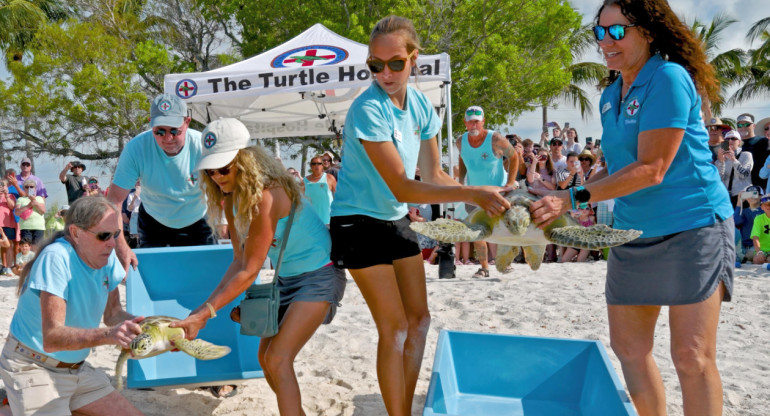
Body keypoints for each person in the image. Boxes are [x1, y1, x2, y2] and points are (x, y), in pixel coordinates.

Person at [530, 1, 732, 414]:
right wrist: (564, 203)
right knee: (630, 350)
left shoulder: (669, 77)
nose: (606, 41)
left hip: (692, 227)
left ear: (650, 31)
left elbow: (652, 168)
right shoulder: (610, 94)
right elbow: (619, 169)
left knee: (691, 357)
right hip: (632, 232)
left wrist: (571, 197)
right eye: (599, 32)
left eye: (618, 31)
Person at [329, 15, 509, 416]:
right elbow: (403, 186)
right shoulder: (367, 109)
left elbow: (434, 175)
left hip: (394, 219)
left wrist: (482, 199)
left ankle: (403, 408)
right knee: (393, 329)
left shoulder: (423, 106)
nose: (385, 73)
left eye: (395, 63)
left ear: (414, 59)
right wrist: (471, 192)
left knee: (420, 321)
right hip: (355, 221)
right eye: (375, 65)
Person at [171, 118, 346, 410]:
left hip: (320, 275)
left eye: (224, 168)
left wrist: (205, 314)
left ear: (246, 160)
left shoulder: (269, 194)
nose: (216, 176)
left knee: (278, 358)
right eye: (210, 170)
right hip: (285, 280)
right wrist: (201, 311)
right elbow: (238, 262)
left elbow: (250, 269)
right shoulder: (231, 200)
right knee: (265, 359)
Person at [0, 196, 143, 416]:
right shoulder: (56, 258)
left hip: (75, 369)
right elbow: (52, 337)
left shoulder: (107, 256)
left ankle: (16, 407)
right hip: (32, 365)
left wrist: (151, 329)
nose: (113, 243)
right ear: (75, 233)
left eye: (115, 234)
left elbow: (113, 314)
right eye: (104, 235)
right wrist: (111, 335)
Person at [107, 93, 213, 268]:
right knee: (155, 278)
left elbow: (228, 190)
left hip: (198, 219)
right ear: (151, 124)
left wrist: (225, 222)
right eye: (160, 132)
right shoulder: (136, 149)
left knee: (206, 278)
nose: (168, 138)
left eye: (174, 131)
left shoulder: (203, 146)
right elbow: (114, 202)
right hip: (154, 221)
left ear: (186, 123)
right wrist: (121, 246)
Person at [456, 105, 519, 278]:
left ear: (483, 121)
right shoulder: (460, 141)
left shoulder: (495, 139)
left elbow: (514, 157)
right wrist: (461, 182)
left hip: (497, 193)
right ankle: (484, 267)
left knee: (501, 229)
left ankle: (505, 262)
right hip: (474, 194)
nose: (473, 125)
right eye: (470, 122)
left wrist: (511, 182)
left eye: (477, 121)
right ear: (465, 123)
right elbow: (462, 158)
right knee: (477, 231)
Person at [715, 130, 752, 206]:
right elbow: (719, 179)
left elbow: (744, 175)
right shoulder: (721, 158)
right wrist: (721, 162)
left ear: (739, 141)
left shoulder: (746, 155)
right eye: (727, 139)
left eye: (733, 138)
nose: (730, 141)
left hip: (744, 196)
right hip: (727, 197)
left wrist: (733, 159)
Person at [736, 113, 769, 189]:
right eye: (740, 125)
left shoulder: (764, 141)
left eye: (747, 124)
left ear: (753, 126)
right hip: (739, 189)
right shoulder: (733, 143)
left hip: (761, 187)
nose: (743, 127)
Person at [304, 155, 337, 226]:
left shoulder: (330, 178)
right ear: (311, 166)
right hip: (311, 220)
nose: (316, 166)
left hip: (329, 220)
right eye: (314, 163)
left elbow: (339, 195)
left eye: (319, 163)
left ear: (322, 165)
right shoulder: (304, 181)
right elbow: (300, 201)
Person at [734, 185, 763, 263]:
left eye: (754, 194)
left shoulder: (764, 211)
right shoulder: (743, 211)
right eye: (748, 194)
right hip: (743, 245)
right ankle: (744, 259)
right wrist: (739, 202)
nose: (751, 197)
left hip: (757, 244)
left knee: (754, 256)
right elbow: (736, 222)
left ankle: (746, 259)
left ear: (761, 196)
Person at [15, 180, 46, 248]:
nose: (29, 188)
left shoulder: (39, 198)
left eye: (31, 187)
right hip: (25, 227)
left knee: (37, 248)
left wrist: (35, 201)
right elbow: (17, 212)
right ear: (24, 188)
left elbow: (43, 211)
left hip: (38, 227)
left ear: (35, 188)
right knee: (26, 248)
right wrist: (28, 205)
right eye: (27, 187)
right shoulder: (20, 199)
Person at [0, 179, 16, 276]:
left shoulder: (11, 196)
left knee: (9, 245)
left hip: (8, 224)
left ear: (7, 186)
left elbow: (12, 206)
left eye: (3, 185)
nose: (1, 187)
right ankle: (3, 266)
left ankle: (8, 267)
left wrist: (6, 195)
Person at [750, 194, 770, 264]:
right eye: (766, 204)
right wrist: (759, 251)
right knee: (757, 260)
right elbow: (755, 237)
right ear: (762, 207)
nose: (768, 206)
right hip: (762, 250)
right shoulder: (758, 219)